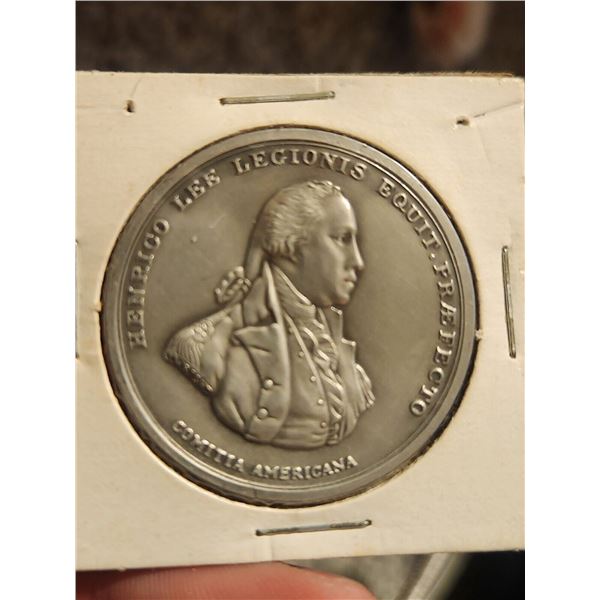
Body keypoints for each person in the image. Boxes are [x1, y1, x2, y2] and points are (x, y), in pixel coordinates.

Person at [164, 180, 374, 450]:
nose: (357, 261)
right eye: (342, 239)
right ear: (293, 245)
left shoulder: (341, 354)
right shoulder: (199, 346)